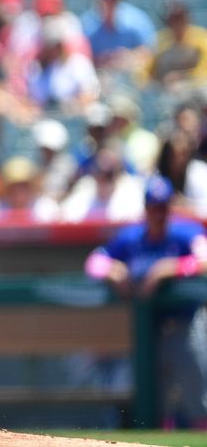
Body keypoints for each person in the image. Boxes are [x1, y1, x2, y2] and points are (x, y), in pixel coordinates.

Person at [84, 175, 207, 429]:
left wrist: (172, 267)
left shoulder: (186, 232)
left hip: (185, 324)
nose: (158, 213)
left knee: (199, 398)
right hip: (147, 332)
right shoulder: (132, 238)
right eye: (153, 207)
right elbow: (93, 263)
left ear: (170, 207)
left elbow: (205, 259)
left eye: (162, 207)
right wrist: (113, 271)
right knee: (153, 401)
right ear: (146, 208)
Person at [80, 0, 156, 71]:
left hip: (130, 80)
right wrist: (101, 59)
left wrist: (129, 56)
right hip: (99, 79)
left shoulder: (137, 20)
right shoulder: (87, 24)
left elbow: (151, 53)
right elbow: (77, 59)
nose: (109, 2)